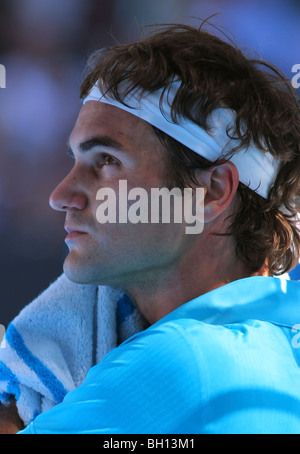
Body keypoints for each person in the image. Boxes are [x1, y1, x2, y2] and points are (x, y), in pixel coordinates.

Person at [2, 22, 300, 434]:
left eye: (107, 160)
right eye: (74, 160)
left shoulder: (185, 360)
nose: (61, 194)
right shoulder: (275, 342)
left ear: (211, 192)